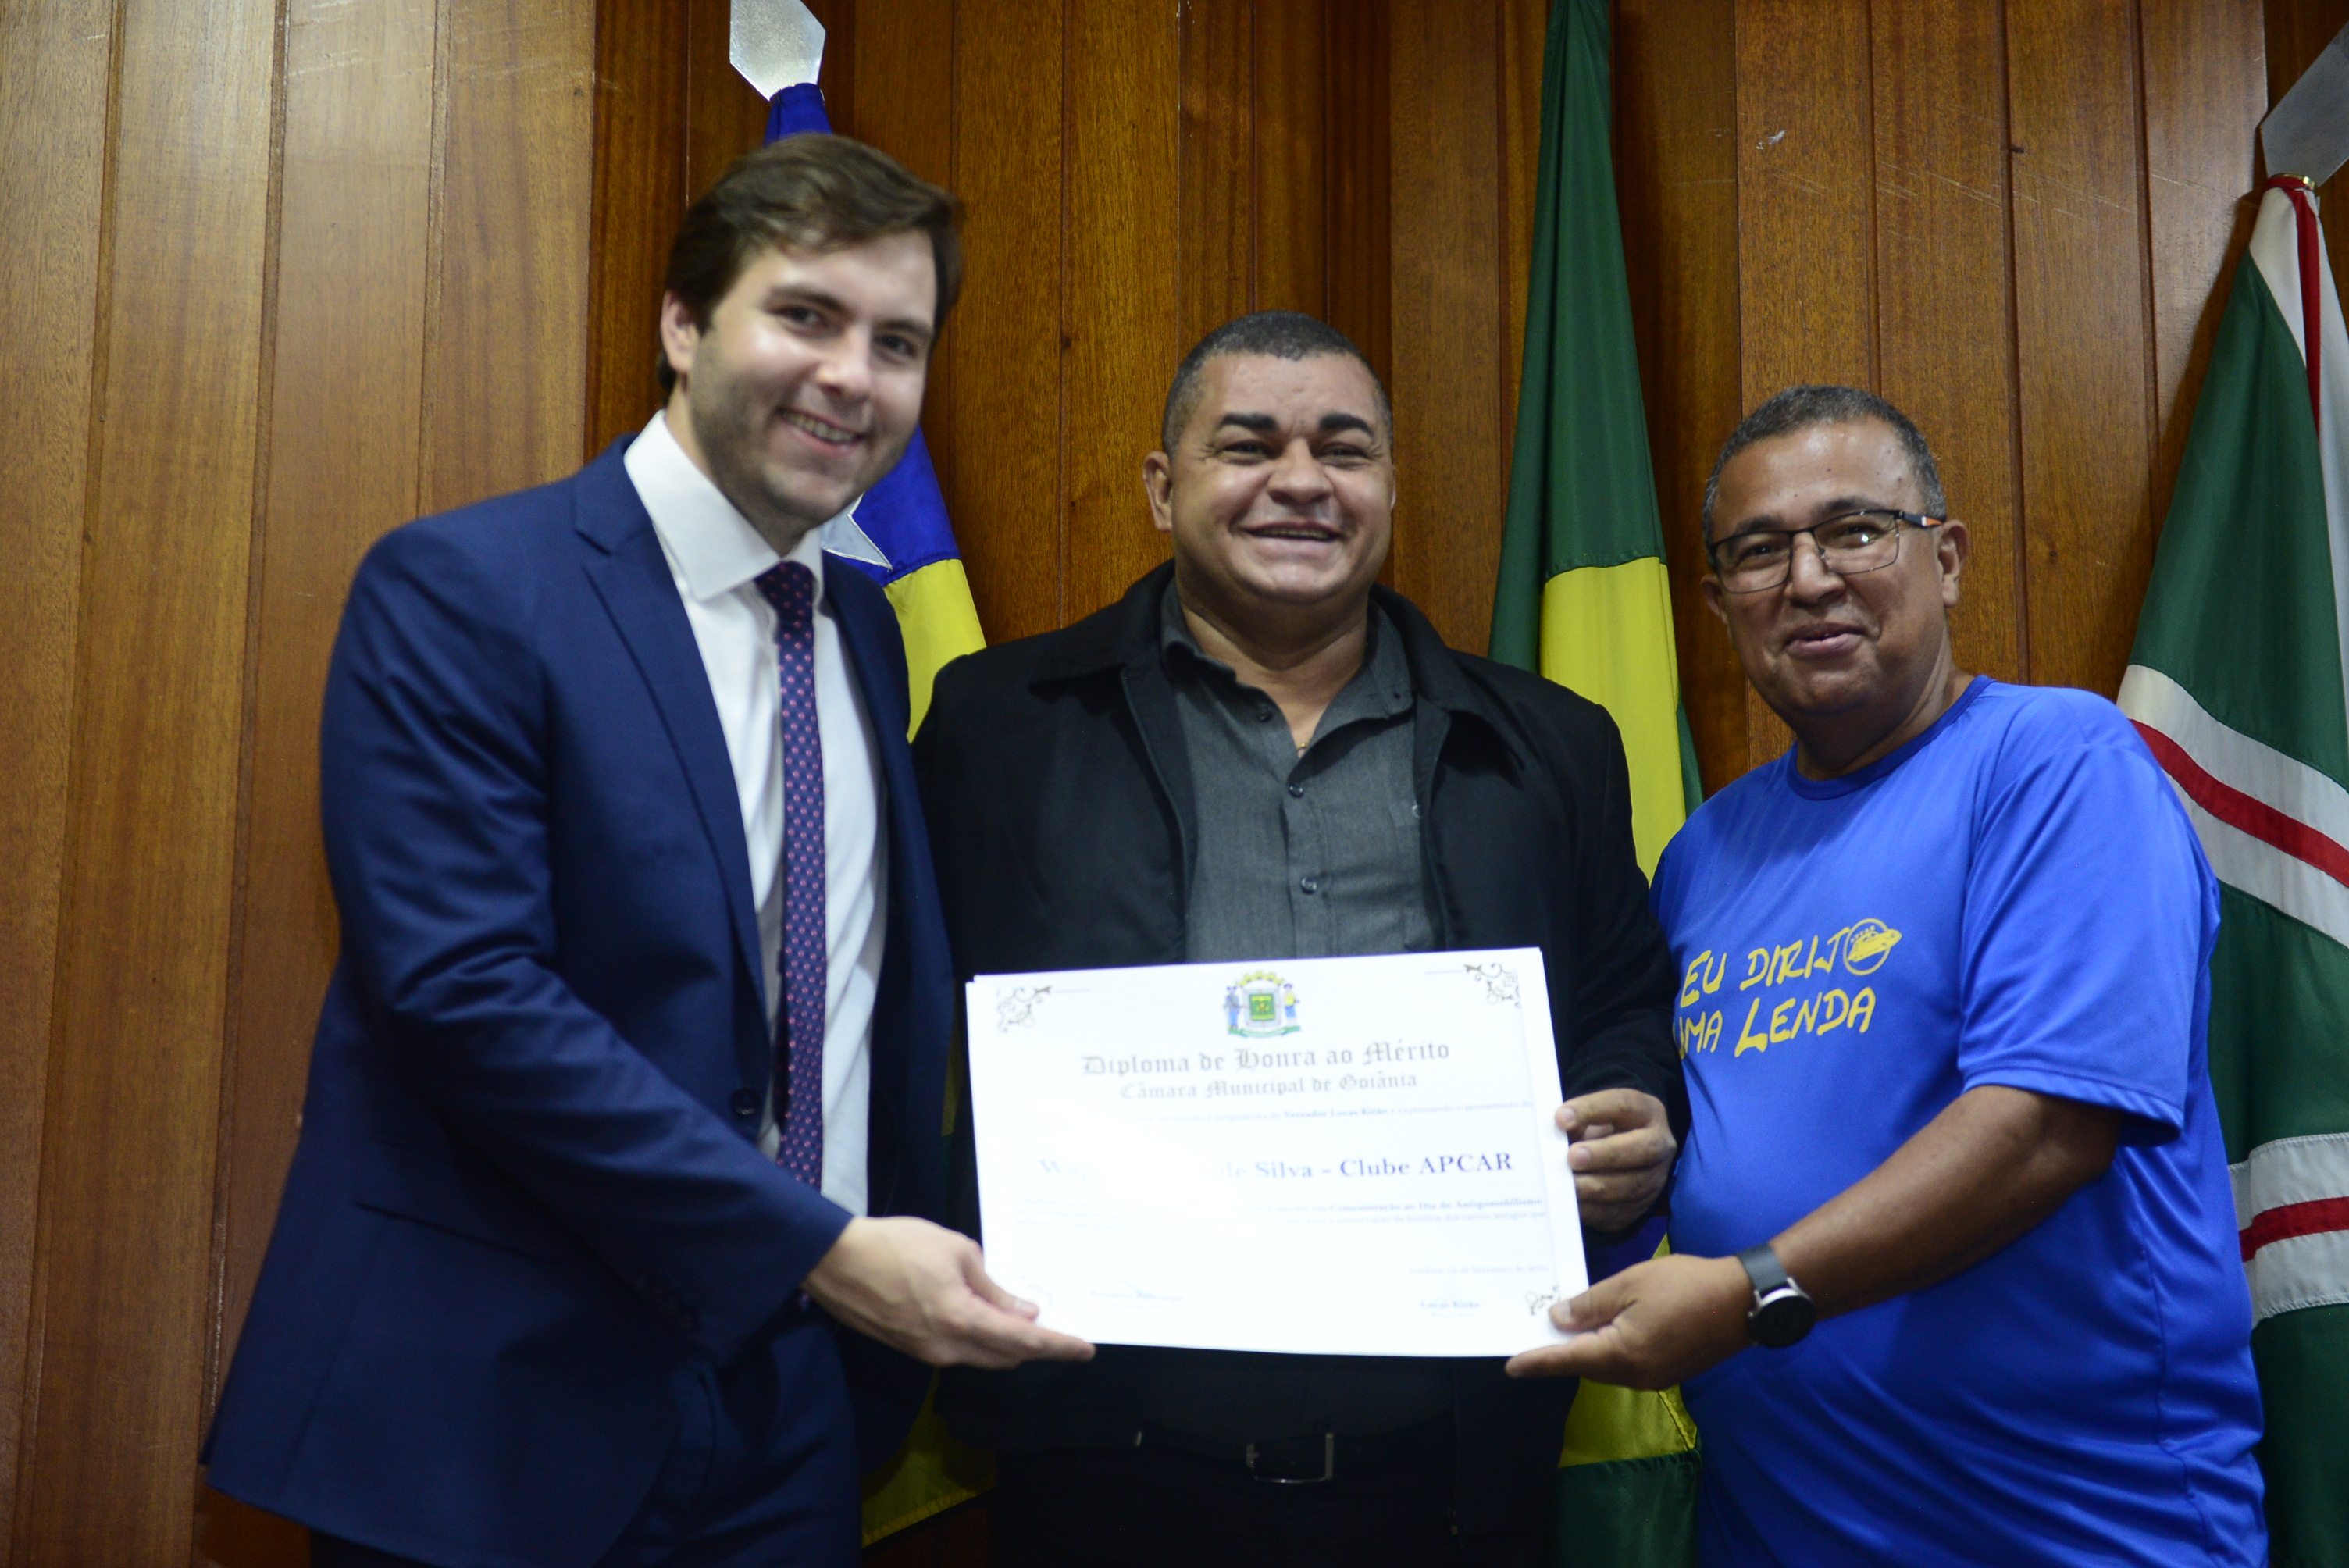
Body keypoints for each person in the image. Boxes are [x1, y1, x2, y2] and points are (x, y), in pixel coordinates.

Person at [203, 134, 1089, 1568]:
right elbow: (466, 998)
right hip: (498, 1409)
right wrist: (817, 1246)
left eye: (898, 343)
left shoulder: (863, 631)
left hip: (800, 1414)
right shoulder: (469, 588)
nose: (852, 376)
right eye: (805, 316)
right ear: (683, 324)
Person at [912, 310, 1684, 1566]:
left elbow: (1623, 998)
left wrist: (1635, 1109)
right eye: (1248, 445)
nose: (1302, 480)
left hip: (1448, 1486)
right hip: (1105, 1477)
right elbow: (881, 1005)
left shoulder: (1551, 743)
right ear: (1162, 488)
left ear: (1390, 487)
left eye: (1343, 448)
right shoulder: (1001, 726)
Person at [1510, 385, 2267, 1565]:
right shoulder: (1705, 854)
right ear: (1718, 602)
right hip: (1778, 1534)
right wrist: (1634, 1156)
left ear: (1947, 560)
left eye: (1856, 530)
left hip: (2077, 1533)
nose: (1808, 579)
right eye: (1759, 551)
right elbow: (1700, 1153)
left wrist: (1750, 1294)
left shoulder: (2058, 765)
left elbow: (2046, 1127)